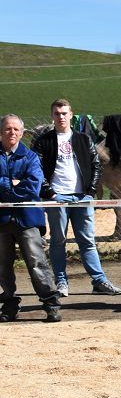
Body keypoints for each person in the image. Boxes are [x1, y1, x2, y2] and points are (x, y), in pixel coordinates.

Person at [32, 99, 121, 296]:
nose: (61, 117)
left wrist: (90, 192)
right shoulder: (43, 141)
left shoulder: (83, 139)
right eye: (57, 113)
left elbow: (96, 165)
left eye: (64, 113)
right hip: (57, 198)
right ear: (52, 116)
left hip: (82, 197)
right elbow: (36, 170)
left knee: (87, 240)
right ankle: (61, 282)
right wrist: (50, 193)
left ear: (71, 115)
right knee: (58, 240)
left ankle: (99, 281)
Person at [0, 114, 62, 323]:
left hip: (27, 219)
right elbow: (22, 187)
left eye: (16, 129)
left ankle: (51, 303)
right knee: (2, 266)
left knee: (37, 262)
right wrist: (13, 183)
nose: (12, 133)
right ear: (0, 132)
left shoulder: (31, 157)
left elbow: (32, 187)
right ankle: (9, 304)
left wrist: (5, 186)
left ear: (22, 133)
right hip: (2, 220)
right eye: (8, 129)